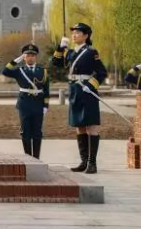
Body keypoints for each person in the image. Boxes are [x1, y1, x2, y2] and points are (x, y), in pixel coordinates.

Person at [52, 23, 107, 174]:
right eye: (73, 33)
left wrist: (91, 85)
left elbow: (102, 72)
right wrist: (61, 47)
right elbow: (56, 63)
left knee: (91, 126)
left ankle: (92, 163)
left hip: (87, 91)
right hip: (75, 91)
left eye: (77, 32)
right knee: (79, 125)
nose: (74, 35)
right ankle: (83, 161)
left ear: (86, 36)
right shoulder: (69, 53)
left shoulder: (91, 52)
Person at [2, 44, 50, 159]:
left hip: (38, 104)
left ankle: (36, 159)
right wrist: (17, 60)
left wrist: (45, 106)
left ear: (36, 57)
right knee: (25, 132)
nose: (30, 57)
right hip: (24, 105)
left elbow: (46, 90)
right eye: (28, 55)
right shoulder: (19, 71)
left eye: (33, 55)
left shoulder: (43, 71)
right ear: (24, 58)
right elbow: (5, 71)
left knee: (37, 133)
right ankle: (28, 159)